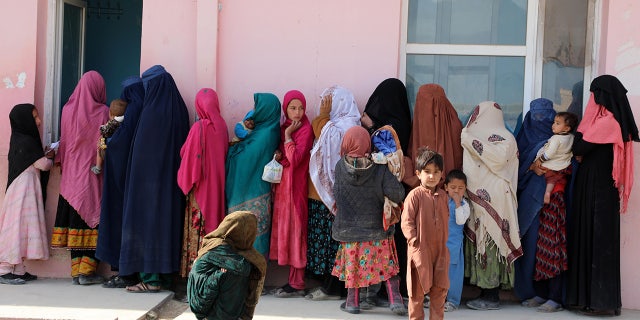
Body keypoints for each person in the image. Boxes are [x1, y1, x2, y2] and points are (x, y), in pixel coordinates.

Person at [566, 75, 639, 316]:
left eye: (593, 95)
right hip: (596, 187)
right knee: (592, 239)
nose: (590, 100)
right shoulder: (604, 121)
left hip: (597, 189)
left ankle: (600, 302)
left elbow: (578, 147)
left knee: (597, 241)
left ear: (601, 96)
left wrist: (581, 136)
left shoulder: (606, 123)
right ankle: (590, 300)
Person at [119, 65, 190, 293]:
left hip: (148, 185)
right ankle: (166, 276)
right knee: (167, 225)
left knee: (149, 226)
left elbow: (142, 153)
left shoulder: (152, 112)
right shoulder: (179, 108)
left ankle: (150, 277)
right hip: (172, 186)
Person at [331, 126, 406, 315]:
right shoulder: (379, 168)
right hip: (377, 231)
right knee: (387, 266)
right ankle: (395, 300)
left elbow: (337, 196)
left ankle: (352, 303)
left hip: (349, 232)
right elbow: (397, 194)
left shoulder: (340, 167)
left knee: (353, 268)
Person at [461, 101, 522, 310]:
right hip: (479, 202)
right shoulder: (473, 138)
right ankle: (484, 291)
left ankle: (492, 295)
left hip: (498, 201)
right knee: (482, 245)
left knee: (492, 243)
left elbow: (496, 159)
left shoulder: (506, 138)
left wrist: (469, 140)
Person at [51, 70, 110, 285]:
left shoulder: (66, 110)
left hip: (69, 178)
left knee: (74, 222)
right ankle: (87, 272)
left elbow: (64, 143)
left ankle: (76, 272)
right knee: (91, 220)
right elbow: (103, 144)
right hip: (91, 176)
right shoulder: (102, 112)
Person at [360, 78, 413, 303]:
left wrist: (371, 127)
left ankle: (389, 291)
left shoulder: (395, 125)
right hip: (385, 191)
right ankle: (380, 289)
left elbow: (388, 152)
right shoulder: (399, 119)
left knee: (390, 241)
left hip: (390, 192)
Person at [305, 86, 360, 301]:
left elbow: (323, 135)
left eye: (329, 102)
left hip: (332, 196)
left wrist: (323, 117)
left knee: (331, 243)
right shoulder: (335, 125)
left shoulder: (344, 128)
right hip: (319, 196)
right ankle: (326, 284)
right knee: (323, 243)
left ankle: (333, 288)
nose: (323, 105)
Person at [513, 98, 562, 311]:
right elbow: (515, 167)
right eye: (536, 115)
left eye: (545, 116)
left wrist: (549, 170)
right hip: (528, 199)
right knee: (530, 246)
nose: (540, 120)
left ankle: (552, 294)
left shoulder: (559, 139)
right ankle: (530, 291)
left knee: (551, 247)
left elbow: (566, 165)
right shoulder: (523, 138)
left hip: (553, 202)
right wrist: (531, 167)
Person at [96, 77, 146, 289]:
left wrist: (107, 143)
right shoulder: (142, 109)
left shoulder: (132, 111)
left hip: (121, 179)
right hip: (134, 178)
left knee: (119, 219)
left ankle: (124, 271)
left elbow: (120, 143)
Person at [0, 104, 55, 285]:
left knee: (22, 226)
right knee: (16, 227)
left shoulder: (19, 139)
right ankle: (5, 269)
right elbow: (42, 165)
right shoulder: (26, 141)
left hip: (24, 189)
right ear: (25, 120)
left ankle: (19, 269)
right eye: (35, 117)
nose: (38, 122)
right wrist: (50, 157)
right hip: (22, 190)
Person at [177, 88, 229, 278]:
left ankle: (196, 276)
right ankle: (212, 275)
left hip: (199, 190)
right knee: (214, 229)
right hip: (217, 189)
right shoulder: (222, 126)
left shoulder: (199, 128)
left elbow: (186, 156)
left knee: (198, 230)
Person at [270, 90, 314, 297]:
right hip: (283, 189)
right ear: (285, 109)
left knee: (297, 230)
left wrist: (288, 138)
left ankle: (297, 282)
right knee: (286, 228)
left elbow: (295, 160)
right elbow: (285, 157)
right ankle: (291, 280)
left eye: (301, 108)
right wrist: (281, 153)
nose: (297, 113)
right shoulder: (283, 128)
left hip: (295, 188)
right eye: (292, 108)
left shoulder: (305, 129)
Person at [225, 93, 281, 256]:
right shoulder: (264, 129)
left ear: (266, 110)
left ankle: (250, 276)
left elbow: (245, 160)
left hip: (250, 191)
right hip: (255, 189)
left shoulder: (265, 134)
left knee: (251, 237)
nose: (254, 110)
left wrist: (233, 150)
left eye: (257, 107)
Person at [187, 211, 267, 320]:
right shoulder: (220, 246)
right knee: (236, 274)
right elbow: (242, 268)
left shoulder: (223, 241)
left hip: (208, 298)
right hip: (205, 305)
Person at [401, 148, 449, 320]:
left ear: (441, 174)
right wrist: (414, 240)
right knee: (416, 293)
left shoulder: (443, 196)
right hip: (420, 250)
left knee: (439, 291)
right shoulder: (414, 196)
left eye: (436, 172)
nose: (432, 176)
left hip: (440, 252)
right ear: (418, 173)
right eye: (427, 172)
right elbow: (406, 221)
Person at [405, 84, 463, 189]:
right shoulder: (454, 123)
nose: (429, 109)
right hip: (451, 191)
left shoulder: (417, 122)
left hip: (429, 193)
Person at [533, 112, 578, 204]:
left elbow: (550, 153)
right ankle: (548, 192)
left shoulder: (555, 138)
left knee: (550, 179)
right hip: (563, 167)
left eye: (557, 123)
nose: (553, 125)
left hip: (550, 166)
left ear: (567, 128)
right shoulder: (571, 137)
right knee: (554, 180)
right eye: (554, 122)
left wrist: (540, 159)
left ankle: (547, 193)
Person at [443, 169, 470, 312]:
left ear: (465, 189)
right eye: (452, 188)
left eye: (460, 188)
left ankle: (453, 300)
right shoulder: (441, 200)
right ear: (446, 187)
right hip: (441, 242)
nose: (456, 191)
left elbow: (460, 221)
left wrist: (458, 204)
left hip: (454, 243)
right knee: (439, 271)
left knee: (453, 273)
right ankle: (438, 297)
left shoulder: (465, 206)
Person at [91, 99, 127, 175]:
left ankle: (98, 167)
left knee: (100, 144)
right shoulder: (125, 121)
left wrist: (102, 128)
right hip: (121, 152)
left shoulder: (113, 123)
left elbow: (104, 131)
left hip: (107, 151)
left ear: (110, 114)